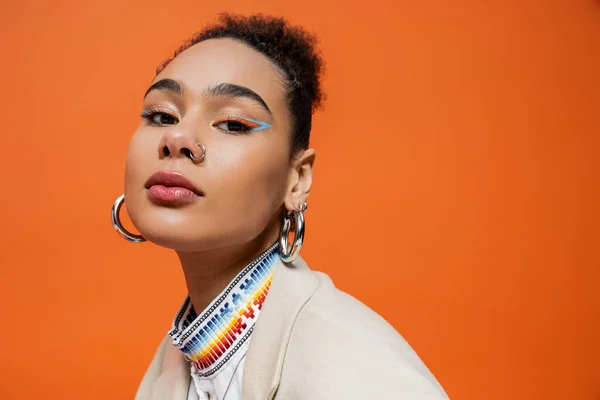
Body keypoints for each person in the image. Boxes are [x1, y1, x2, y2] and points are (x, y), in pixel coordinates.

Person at [111, 13, 449, 400]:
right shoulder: (174, 369)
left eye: (233, 124)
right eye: (161, 115)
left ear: (298, 179)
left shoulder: (354, 371)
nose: (177, 138)